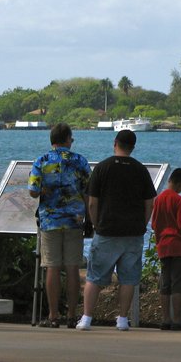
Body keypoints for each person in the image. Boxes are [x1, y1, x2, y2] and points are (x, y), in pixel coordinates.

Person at [76, 129, 156, 332]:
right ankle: (122, 319)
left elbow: (93, 202)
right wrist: (142, 224)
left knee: (94, 276)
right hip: (133, 231)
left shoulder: (103, 168)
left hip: (107, 229)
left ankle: (86, 318)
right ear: (133, 147)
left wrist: (95, 224)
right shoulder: (140, 170)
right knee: (128, 278)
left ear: (115, 143)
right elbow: (149, 203)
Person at [28, 123, 91, 328]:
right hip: (75, 220)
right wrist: (88, 217)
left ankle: (53, 316)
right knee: (73, 268)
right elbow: (87, 190)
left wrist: (46, 189)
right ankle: (72, 316)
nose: (72, 142)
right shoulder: (80, 161)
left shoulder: (42, 160)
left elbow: (33, 191)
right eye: (71, 139)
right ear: (66, 139)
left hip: (50, 220)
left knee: (52, 267)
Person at [151, 167, 181, 331]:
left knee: (166, 285)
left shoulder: (158, 199)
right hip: (178, 246)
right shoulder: (180, 201)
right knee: (178, 285)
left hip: (163, 245)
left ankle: (166, 320)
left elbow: (154, 224)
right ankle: (177, 320)